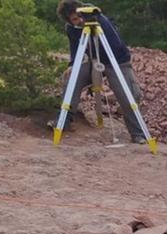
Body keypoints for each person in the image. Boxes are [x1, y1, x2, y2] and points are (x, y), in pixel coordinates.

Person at [51, 0, 146, 144]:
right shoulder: (71, 28)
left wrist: (98, 22)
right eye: (75, 20)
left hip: (117, 60)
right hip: (94, 60)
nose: (80, 21)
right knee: (72, 78)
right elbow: (75, 47)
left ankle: (138, 134)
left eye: (80, 16)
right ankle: (63, 121)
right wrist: (72, 64)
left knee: (128, 95)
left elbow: (114, 43)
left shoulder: (98, 18)